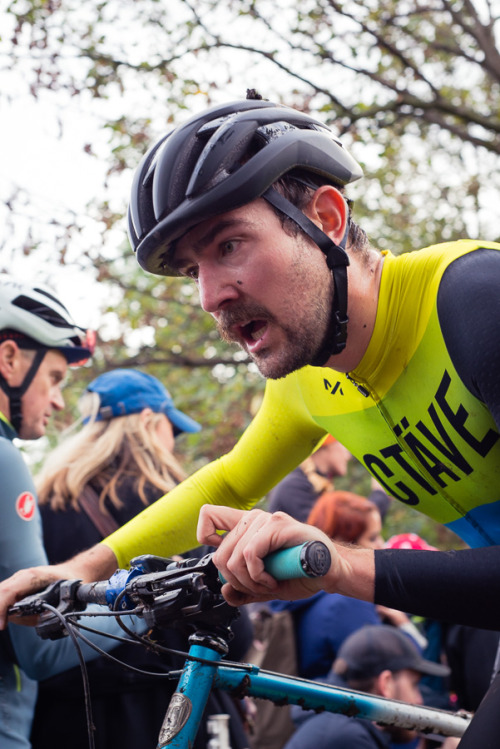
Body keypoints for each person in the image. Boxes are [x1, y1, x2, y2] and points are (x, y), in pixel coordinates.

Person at [1, 95, 500, 746]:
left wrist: (337, 564)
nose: (210, 296)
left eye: (228, 244)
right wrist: (85, 566)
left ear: (325, 217)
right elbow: (229, 479)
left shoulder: (476, 302)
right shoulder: (306, 383)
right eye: (193, 270)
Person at [0, 277, 143, 749]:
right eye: (56, 378)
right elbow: (37, 648)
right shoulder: (4, 460)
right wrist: (146, 608)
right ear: (9, 359)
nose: (59, 401)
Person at [30, 367, 202, 749]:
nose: (172, 442)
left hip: (63, 718)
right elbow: (227, 625)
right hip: (161, 713)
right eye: (169, 429)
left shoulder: (43, 503)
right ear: (147, 421)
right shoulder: (173, 502)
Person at [283, 625, 451, 749]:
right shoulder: (347, 737)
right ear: (386, 683)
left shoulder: (339, 726)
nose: (419, 699)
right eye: (414, 685)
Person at [267, 435, 351, 521]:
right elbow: (326, 531)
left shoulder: (311, 483)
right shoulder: (294, 487)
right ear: (327, 446)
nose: (348, 456)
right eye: (345, 447)